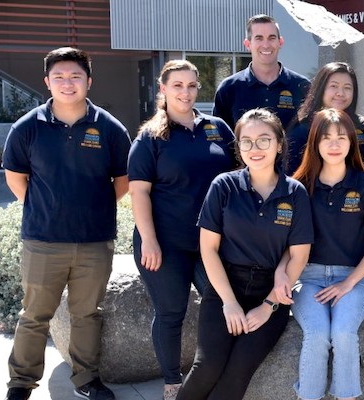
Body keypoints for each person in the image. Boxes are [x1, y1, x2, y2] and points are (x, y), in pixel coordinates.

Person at [2, 47, 130, 400]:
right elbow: (16, 178)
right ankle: (21, 383)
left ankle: (86, 380)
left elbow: (122, 181)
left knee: (87, 314)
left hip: (94, 241)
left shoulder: (111, 128)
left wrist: (90, 209)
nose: (67, 83)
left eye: (75, 76)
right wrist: (48, 208)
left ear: (89, 80)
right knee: (34, 315)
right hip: (43, 241)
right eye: (58, 76)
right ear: (47, 82)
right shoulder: (27, 127)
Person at [177, 108, 312, 400]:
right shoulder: (224, 186)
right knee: (207, 366)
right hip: (226, 286)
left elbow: (299, 255)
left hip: (271, 293)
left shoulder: (295, 192)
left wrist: (267, 306)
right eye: (246, 141)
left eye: (264, 140)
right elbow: (208, 249)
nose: (255, 148)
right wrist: (229, 303)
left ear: (279, 144)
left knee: (236, 375)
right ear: (238, 147)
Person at [127, 60, 235, 400]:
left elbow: (240, 173)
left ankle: (215, 373)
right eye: (177, 85)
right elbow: (139, 192)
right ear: (163, 89)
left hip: (211, 242)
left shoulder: (217, 127)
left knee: (219, 301)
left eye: (191, 85)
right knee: (171, 312)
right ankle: (173, 384)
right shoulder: (150, 137)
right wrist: (149, 240)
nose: (185, 92)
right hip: (164, 242)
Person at [290, 108, 364, 400]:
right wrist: (283, 279)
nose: (334, 145)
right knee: (318, 333)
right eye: (326, 138)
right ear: (315, 143)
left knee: (344, 334)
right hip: (307, 278)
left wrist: (349, 283)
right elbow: (289, 244)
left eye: (341, 137)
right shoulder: (300, 186)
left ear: (351, 142)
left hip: (353, 278)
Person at [212, 14, 310, 129]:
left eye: (271, 38)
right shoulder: (229, 88)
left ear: (281, 42)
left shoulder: (302, 86)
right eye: (259, 38)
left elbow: (313, 135)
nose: (266, 45)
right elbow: (220, 139)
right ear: (248, 44)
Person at [288, 62, 364, 174]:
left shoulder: (363, 126)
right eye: (334, 86)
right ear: (321, 89)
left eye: (347, 88)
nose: (340, 93)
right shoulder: (303, 129)